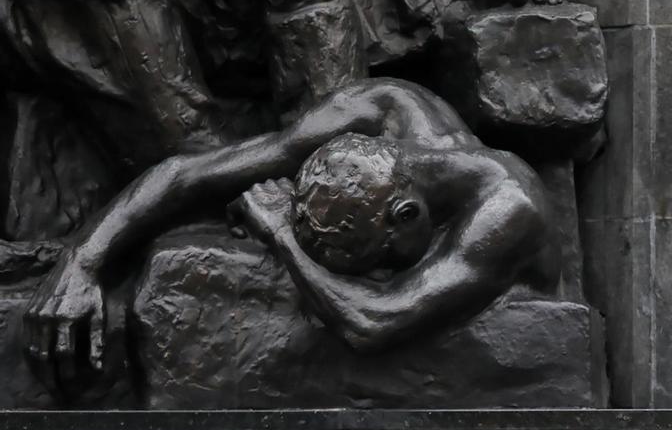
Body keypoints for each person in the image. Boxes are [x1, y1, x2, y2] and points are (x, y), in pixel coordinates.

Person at [23, 78, 558, 391]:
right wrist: (86, 258)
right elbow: (189, 173)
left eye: (359, 259)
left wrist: (281, 234)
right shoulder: (382, 107)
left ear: (405, 216)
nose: (370, 273)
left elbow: (375, 321)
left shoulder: (511, 206)